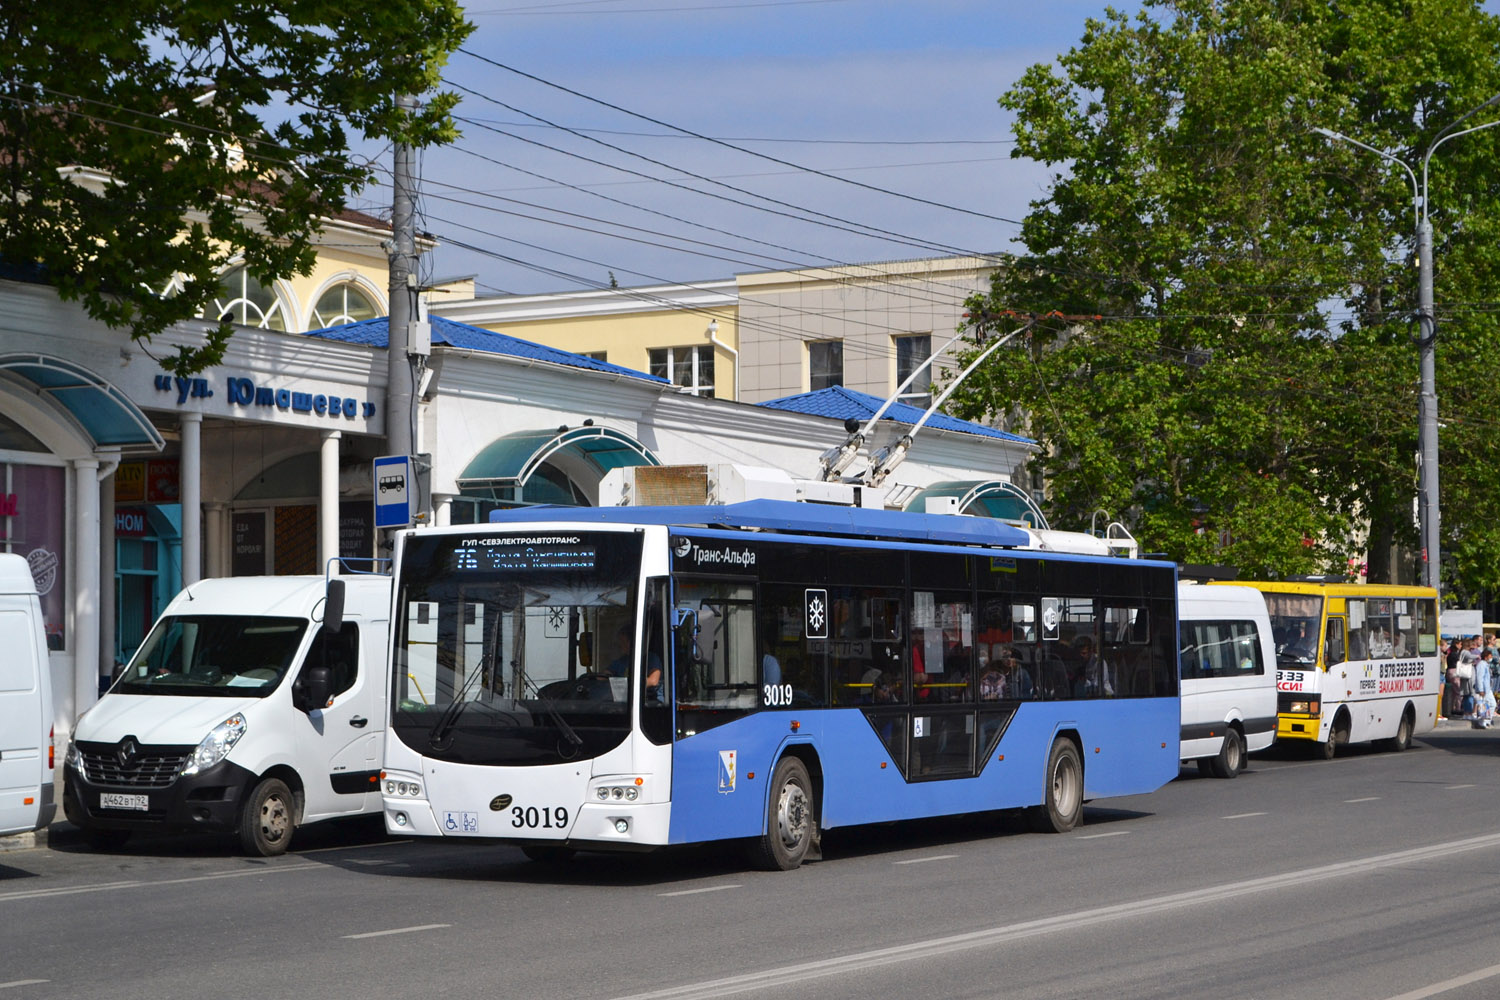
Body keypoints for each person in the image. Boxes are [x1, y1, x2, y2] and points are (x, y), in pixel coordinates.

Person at [608, 624, 662, 695]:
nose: (619, 644)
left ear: (631, 642)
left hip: (649, 700)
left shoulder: (651, 658)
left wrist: (628, 685)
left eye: (622, 641)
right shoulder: (621, 660)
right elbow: (605, 675)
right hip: (625, 700)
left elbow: (653, 681)